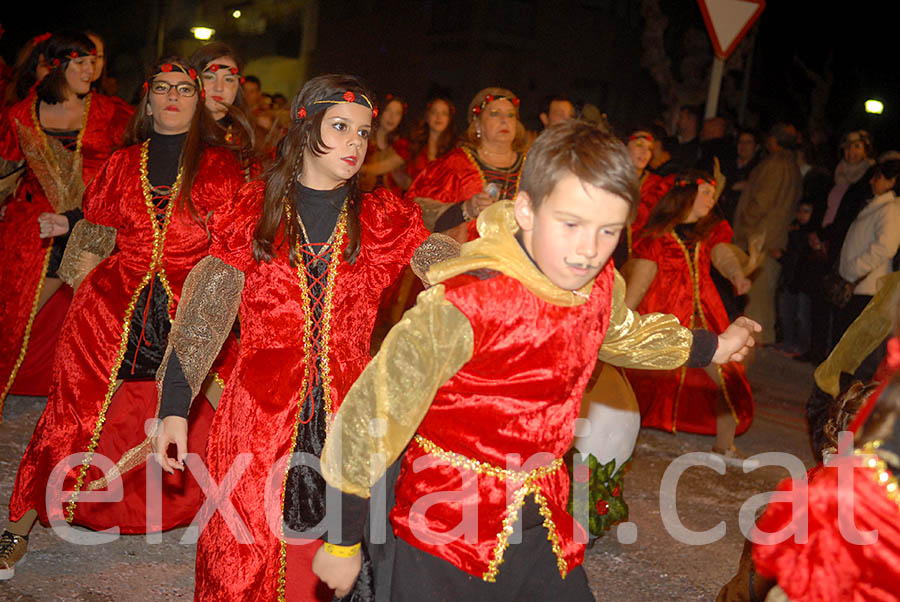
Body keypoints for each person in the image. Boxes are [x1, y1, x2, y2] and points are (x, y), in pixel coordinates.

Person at [312, 121, 760, 600]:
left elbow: (622, 332)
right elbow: (371, 413)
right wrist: (341, 539)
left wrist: (712, 346)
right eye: (570, 224)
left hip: (539, 515)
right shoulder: (468, 303)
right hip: (446, 524)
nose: (589, 250)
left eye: (608, 231)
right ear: (526, 209)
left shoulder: (596, 286)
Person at [150, 74, 437, 602]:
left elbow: (447, 267)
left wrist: (507, 265)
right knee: (245, 554)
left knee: (354, 557)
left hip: (353, 413)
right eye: (341, 127)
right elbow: (205, 314)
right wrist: (173, 405)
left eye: (363, 132)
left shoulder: (380, 219)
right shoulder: (250, 211)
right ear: (306, 129)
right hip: (259, 415)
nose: (356, 143)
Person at [0, 56, 245, 579]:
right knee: (70, 417)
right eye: (163, 88)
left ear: (198, 100)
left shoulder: (223, 165)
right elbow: (94, 224)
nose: (174, 96)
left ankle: (245, 521)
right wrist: (75, 283)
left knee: (228, 412)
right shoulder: (121, 161)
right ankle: (15, 528)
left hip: (190, 303)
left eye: (185, 88)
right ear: (149, 97)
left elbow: (236, 246)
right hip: (110, 309)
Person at [0, 31, 132, 414]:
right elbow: (8, 171)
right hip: (33, 229)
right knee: (13, 320)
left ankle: (94, 409)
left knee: (99, 321)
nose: (89, 69)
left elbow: (128, 166)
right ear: (57, 65)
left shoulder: (112, 111)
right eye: (80, 61)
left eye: (92, 61)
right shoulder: (22, 113)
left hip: (92, 226)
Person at [624, 171, 754, 460]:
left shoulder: (708, 234)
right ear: (686, 195)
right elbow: (641, 278)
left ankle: (725, 443)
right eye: (706, 192)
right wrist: (625, 317)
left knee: (725, 376)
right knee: (642, 380)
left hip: (705, 317)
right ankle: (623, 437)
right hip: (667, 316)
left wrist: (737, 275)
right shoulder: (656, 239)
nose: (712, 199)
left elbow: (723, 256)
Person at [406, 87, 526, 242]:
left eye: (510, 115)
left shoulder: (534, 166)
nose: (505, 120)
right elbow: (415, 211)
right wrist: (465, 209)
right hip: (467, 261)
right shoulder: (454, 165)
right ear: (477, 124)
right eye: (495, 113)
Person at [732, 123, 803, 345]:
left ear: (773, 141)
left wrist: (746, 221)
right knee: (763, 290)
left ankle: (756, 337)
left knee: (758, 292)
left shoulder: (775, 166)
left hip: (761, 237)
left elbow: (762, 201)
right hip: (773, 235)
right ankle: (759, 336)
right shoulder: (793, 167)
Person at [189, 42, 259, 178]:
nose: (219, 87)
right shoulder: (178, 132)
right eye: (209, 77)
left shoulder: (247, 139)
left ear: (238, 87)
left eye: (228, 79)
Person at [359, 93, 408, 195]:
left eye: (397, 113)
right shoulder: (362, 138)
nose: (392, 117)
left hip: (391, 203)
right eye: (388, 111)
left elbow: (380, 168)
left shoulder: (401, 146)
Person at [403, 97, 456, 184]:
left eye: (444, 113)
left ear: (449, 119)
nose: (439, 117)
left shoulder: (455, 150)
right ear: (427, 116)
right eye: (434, 112)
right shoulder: (413, 145)